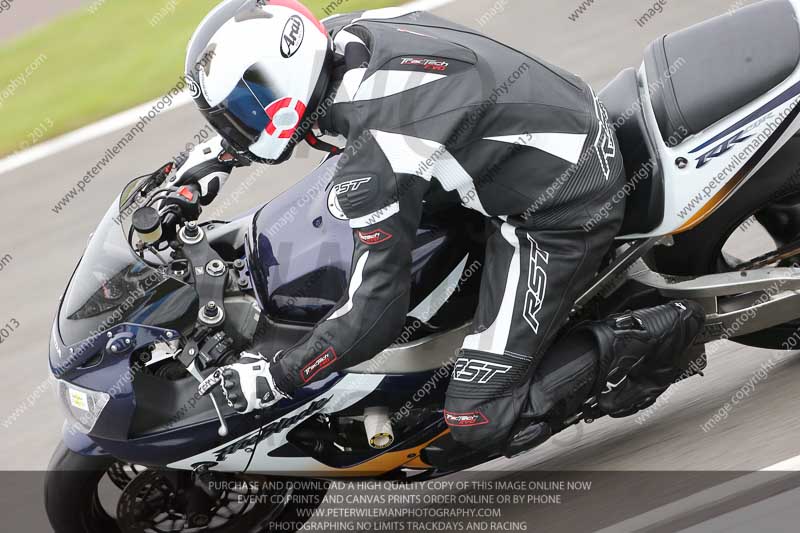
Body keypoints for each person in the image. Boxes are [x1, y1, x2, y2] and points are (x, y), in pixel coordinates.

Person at [191, 0, 628, 452]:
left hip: (562, 204)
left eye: (245, 109)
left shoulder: (377, 150)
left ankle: (656, 339)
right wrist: (208, 164)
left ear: (284, 79)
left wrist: (279, 377)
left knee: (476, 417)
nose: (241, 122)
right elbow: (307, 117)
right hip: (553, 117)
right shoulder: (344, 35)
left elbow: (376, 315)